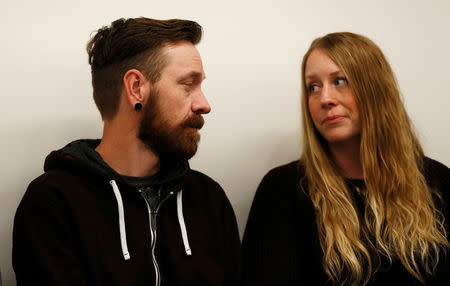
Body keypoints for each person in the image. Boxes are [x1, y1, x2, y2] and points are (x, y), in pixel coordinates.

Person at [13, 17, 241, 286]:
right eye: (188, 84)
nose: (204, 104)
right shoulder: (54, 203)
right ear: (136, 88)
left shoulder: (208, 198)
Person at [242, 32, 449, 286]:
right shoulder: (284, 190)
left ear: (375, 90)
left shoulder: (437, 182)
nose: (325, 99)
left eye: (340, 81)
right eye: (313, 87)